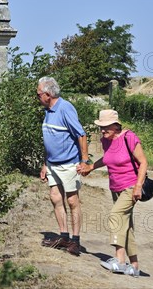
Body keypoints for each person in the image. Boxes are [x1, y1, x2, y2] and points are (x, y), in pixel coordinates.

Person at [77, 109, 148, 277]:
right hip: (115, 187)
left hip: (131, 186)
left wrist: (138, 186)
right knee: (125, 225)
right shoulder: (106, 140)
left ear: (116, 125)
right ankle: (135, 266)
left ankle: (120, 261)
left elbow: (143, 162)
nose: (102, 130)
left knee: (116, 215)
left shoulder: (129, 137)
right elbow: (107, 159)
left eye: (106, 127)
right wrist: (90, 167)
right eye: (101, 127)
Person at [37, 76, 90, 256]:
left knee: (72, 200)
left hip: (69, 163)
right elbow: (50, 140)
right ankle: (64, 236)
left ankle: (75, 240)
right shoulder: (48, 110)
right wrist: (45, 164)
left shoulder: (65, 108)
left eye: (39, 94)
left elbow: (81, 134)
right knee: (55, 198)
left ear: (48, 94)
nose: (37, 97)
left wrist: (84, 161)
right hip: (52, 164)